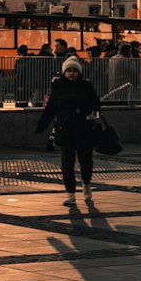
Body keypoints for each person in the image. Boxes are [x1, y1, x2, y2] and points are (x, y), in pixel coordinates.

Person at [36, 55, 101, 205]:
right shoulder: (58, 87)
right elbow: (51, 108)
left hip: (84, 128)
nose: (72, 73)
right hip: (65, 129)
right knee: (67, 162)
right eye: (69, 70)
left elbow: (96, 104)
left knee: (86, 161)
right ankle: (70, 193)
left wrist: (92, 113)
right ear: (64, 72)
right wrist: (41, 125)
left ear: (79, 72)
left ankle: (86, 184)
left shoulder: (86, 86)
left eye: (74, 71)